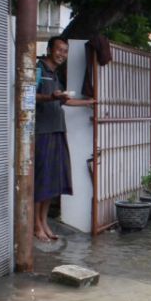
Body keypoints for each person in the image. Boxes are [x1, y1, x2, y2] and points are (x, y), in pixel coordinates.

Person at [34, 36, 93, 242]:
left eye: (65, 51)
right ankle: (36, 226)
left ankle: (44, 223)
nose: (62, 54)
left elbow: (64, 101)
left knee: (53, 181)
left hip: (58, 130)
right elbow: (29, 95)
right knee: (41, 180)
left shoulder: (56, 75)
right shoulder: (38, 69)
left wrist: (89, 102)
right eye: (59, 50)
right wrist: (52, 97)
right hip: (42, 132)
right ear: (49, 49)